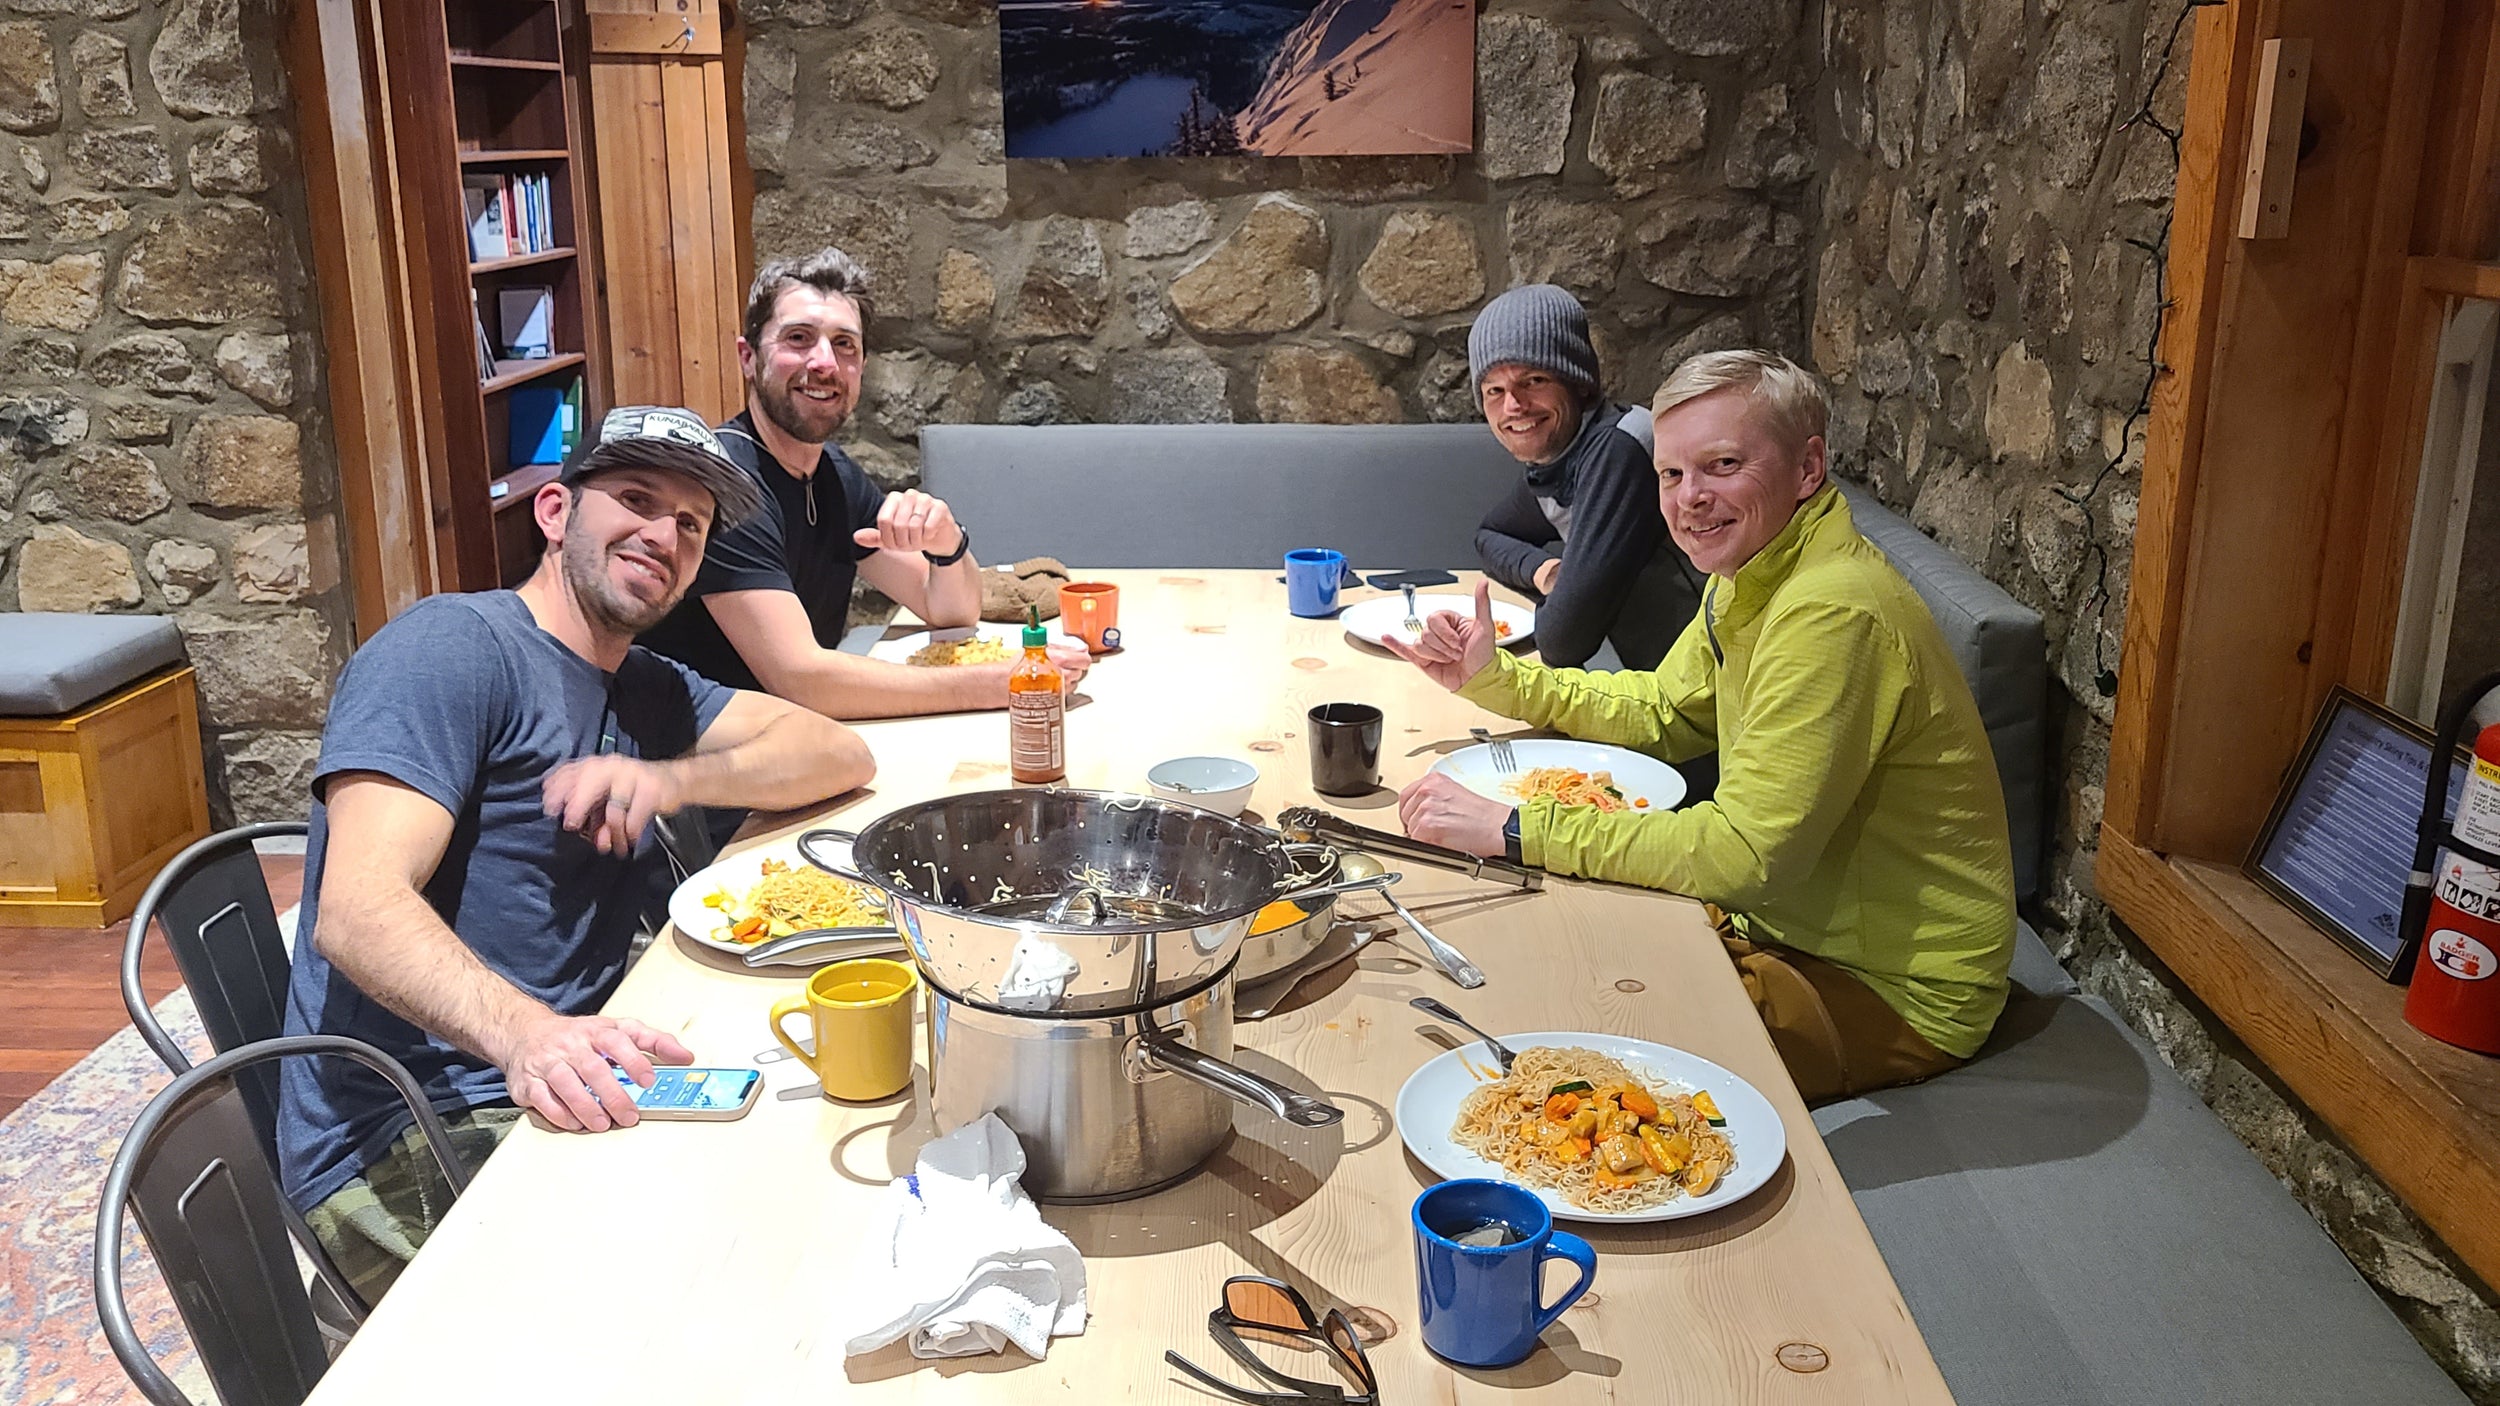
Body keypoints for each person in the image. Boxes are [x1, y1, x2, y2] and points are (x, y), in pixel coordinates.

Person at [275, 406, 879, 1301]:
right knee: (726, 1286)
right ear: (555, 513)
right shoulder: (451, 647)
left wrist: (677, 781)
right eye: (636, 500)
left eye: (691, 524)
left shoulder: (645, 683)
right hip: (415, 1133)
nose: (663, 535)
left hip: (580, 1061)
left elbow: (837, 752)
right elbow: (356, 911)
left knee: (828, 1188)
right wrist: (529, 1037)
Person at [1390, 351, 2015, 1103]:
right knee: (1528, 954)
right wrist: (1495, 679)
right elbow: (1664, 711)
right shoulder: (1755, 568)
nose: (1691, 499)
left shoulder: (1830, 610)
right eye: (1672, 475)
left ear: (1807, 467)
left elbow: (1745, 854)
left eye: (1722, 465)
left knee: (1550, 1070)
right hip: (1782, 927)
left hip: (1893, 989)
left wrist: (1516, 827)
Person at [640, 247, 1091, 718]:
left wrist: (947, 543)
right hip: (701, 763)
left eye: (844, 345)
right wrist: (1005, 682)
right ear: (748, 358)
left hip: (789, 736)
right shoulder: (725, 482)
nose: (825, 363)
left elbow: (950, 612)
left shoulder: (833, 473)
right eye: (798, 338)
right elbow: (800, 679)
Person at [1469, 283, 1702, 672]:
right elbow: (1490, 534)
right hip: (1654, 686)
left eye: (1534, 381)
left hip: (1703, 706)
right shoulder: (1563, 458)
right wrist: (1548, 572)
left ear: (1578, 382)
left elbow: (1563, 641)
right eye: (1494, 389)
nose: (1513, 405)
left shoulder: (1618, 449)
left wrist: (1563, 601)